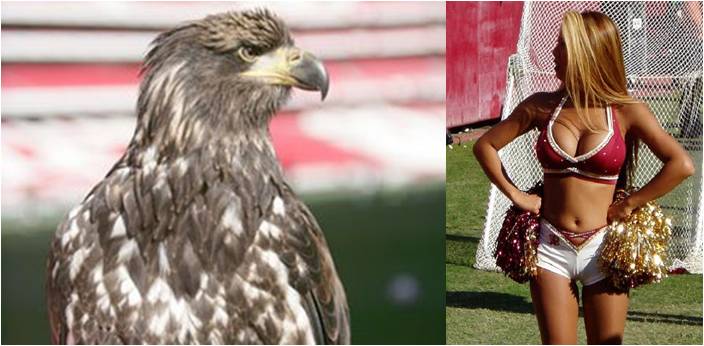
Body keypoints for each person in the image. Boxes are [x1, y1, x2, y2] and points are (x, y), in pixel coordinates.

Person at [473, 11, 695, 344]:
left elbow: (680, 164)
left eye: (562, 45)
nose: (553, 53)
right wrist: (516, 195)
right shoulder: (541, 107)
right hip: (549, 246)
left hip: (604, 249)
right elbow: (486, 145)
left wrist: (629, 204)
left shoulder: (625, 111)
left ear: (584, 52)